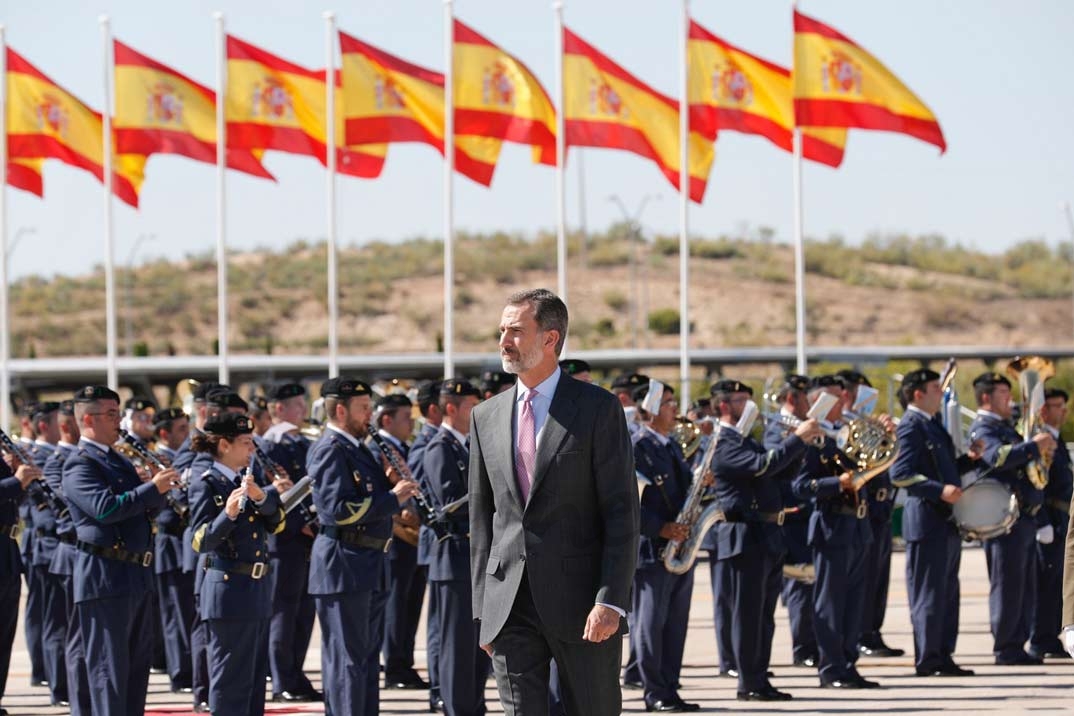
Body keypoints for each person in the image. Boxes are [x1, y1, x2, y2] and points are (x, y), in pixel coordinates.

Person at [470, 288, 639, 715]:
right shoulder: (485, 415)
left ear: (550, 339)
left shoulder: (598, 408)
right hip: (510, 606)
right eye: (501, 330)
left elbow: (621, 511)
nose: (504, 341)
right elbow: (482, 519)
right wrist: (484, 613)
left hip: (584, 606)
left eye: (515, 330)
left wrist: (610, 600)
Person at [307, 377, 421, 716]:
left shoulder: (357, 449)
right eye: (363, 409)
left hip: (367, 562)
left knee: (367, 662)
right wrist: (391, 498)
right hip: (344, 564)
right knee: (349, 661)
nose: (370, 415)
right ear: (340, 410)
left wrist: (389, 485)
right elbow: (336, 509)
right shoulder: (330, 449)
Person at [61, 385, 177, 715]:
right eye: (112, 414)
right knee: (108, 671)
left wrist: (159, 488)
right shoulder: (80, 464)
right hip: (105, 577)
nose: (119, 422)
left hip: (134, 574)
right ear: (87, 419)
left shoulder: (118, 460)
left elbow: (143, 511)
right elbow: (105, 509)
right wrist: (150, 488)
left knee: (135, 671)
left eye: (118, 413)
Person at [710, 379, 819, 701]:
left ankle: (760, 678)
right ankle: (748, 683)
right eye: (743, 400)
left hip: (766, 535)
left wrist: (802, 445)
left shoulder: (745, 440)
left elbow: (779, 474)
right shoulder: (726, 443)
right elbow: (763, 466)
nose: (752, 407)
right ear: (725, 406)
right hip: (745, 536)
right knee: (748, 615)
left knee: (763, 616)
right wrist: (796, 439)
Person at [189, 412, 284, 716]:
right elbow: (200, 540)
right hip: (228, 591)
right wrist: (227, 515)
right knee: (230, 682)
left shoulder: (245, 481)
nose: (252, 449)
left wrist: (261, 497)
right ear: (225, 445)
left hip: (255, 589)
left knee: (254, 682)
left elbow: (277, 523)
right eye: (245, 442)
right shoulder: (207, 484)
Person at [792, 376, 881, 689]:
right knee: (831, 602)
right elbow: (800, 487)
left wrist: (883, 439)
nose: (842, 402)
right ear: (818, 404)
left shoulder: (848, 435)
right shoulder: (811, 440)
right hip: (832, 526)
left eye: (842, 397)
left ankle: (848, 662)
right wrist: (836, 484)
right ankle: (831, 668)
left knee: (855, 602)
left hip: (858, 526)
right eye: (832, 399)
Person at [891, 369, 980, 676]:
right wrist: (939, 490)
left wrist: (970, 459)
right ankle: (929, 658)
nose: (940, 393)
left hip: (943, 521)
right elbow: (900, 474)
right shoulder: (911, 426)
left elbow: (943, 470)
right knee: (929, 593)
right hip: (927, 521)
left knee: (946, 594)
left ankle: (943, 654)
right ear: (917, 394)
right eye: (934, 388)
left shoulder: (931, 424)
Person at [969, 371, 1055, 665]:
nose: (1010, 400)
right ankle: (1006, 646)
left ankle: (1017, 641)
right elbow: (997, 457)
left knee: (1023, 584)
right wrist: (1033, 446)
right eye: (1004, 394)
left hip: (1022, 517)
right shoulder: (983, 428)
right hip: (1003, 518)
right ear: (986, 398)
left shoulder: (1006, 426)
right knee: (1008, 584)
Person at [631, 381, 700, 712]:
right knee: (650, 626)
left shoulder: (670, 445)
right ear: (651, 409)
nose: (675, 410)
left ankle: (670, 688)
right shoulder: (636, 446)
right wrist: (661, 528)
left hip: (679, 549)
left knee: (675, 625)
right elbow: (629, 502)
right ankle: (654, 691)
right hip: (652, 550)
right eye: (669, 403)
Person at [423, 378, 489, 716]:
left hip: (476, 558)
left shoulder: (468, 445)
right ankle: (458, 708)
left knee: (479, 647)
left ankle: (473, 704)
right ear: (451, 408)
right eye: (471, 406)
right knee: (457, 645)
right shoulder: (440, 447)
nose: (479, 412)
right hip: (455, 557)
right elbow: (451, 501)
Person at [836, 370, 904, 659]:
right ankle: (861, 633)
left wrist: (887, 436)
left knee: (878, 577)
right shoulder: (842, 428)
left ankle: (873, 631)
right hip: (861, 508)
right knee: (862, 577)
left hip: (881, 507)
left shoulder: (865, 424)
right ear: (848, 395)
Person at [260, 381, 320, 703]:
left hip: (305, 541)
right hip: (283, 543)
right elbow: (275, 498)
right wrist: (300, 526)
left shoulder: (298, 442)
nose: (303, 411)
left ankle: (296, 674)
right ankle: (282, 679)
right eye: (297, 405)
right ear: (279, 408)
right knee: (283, 614)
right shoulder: (272, 445)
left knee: (302, 614)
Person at [368, 392, 429, 691]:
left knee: (410, 604)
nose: (411, 423)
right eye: (406, 417)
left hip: (411, 537)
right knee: (396, 604)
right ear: (387, 419)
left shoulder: (401, 447)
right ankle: (395, 665)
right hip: (395, 538)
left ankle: (404, 660)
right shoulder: (375, 449)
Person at [765, 374, 818, 669]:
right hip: (792, 514)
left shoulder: (800, 426)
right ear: (791, 399)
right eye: (806, 397)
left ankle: (811, 643)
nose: (810, 403)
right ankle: (803, 647)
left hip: (808, 512)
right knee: (799, 581)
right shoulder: (778, 428)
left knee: (810, 583)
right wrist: (801, 437)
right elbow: (778, 465)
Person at [151, 407, 195, 695]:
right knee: (175, 613)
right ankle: (180, 673)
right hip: (168, 543)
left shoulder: (179, 459)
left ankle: (189, 668)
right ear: (164, 433)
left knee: (187, 612)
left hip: (184, 542)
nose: (187, 433)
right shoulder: (157, 460)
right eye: (181, 428)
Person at [0, 428, 41, 715]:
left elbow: (14, 501)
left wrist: (20, 479)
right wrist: (16, 481)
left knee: (4, 631)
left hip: (6, 547)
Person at [1030, 388, 1072, 659]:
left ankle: (1048, 637)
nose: (1064, 412)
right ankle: (1040, 638)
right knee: (1046, 586)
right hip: (1051, 521)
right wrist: (1041, 522)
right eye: (1058, 406)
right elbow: (1035, 484)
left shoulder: (1059, 440)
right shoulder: (1039, 441)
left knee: (1056, 585)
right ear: (1044, 410)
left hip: (1061, 519)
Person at [411, 380, 445, 712]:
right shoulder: (426, 446)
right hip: (437, 544)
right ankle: (438, 686)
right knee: (438, 624)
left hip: (445, 547)